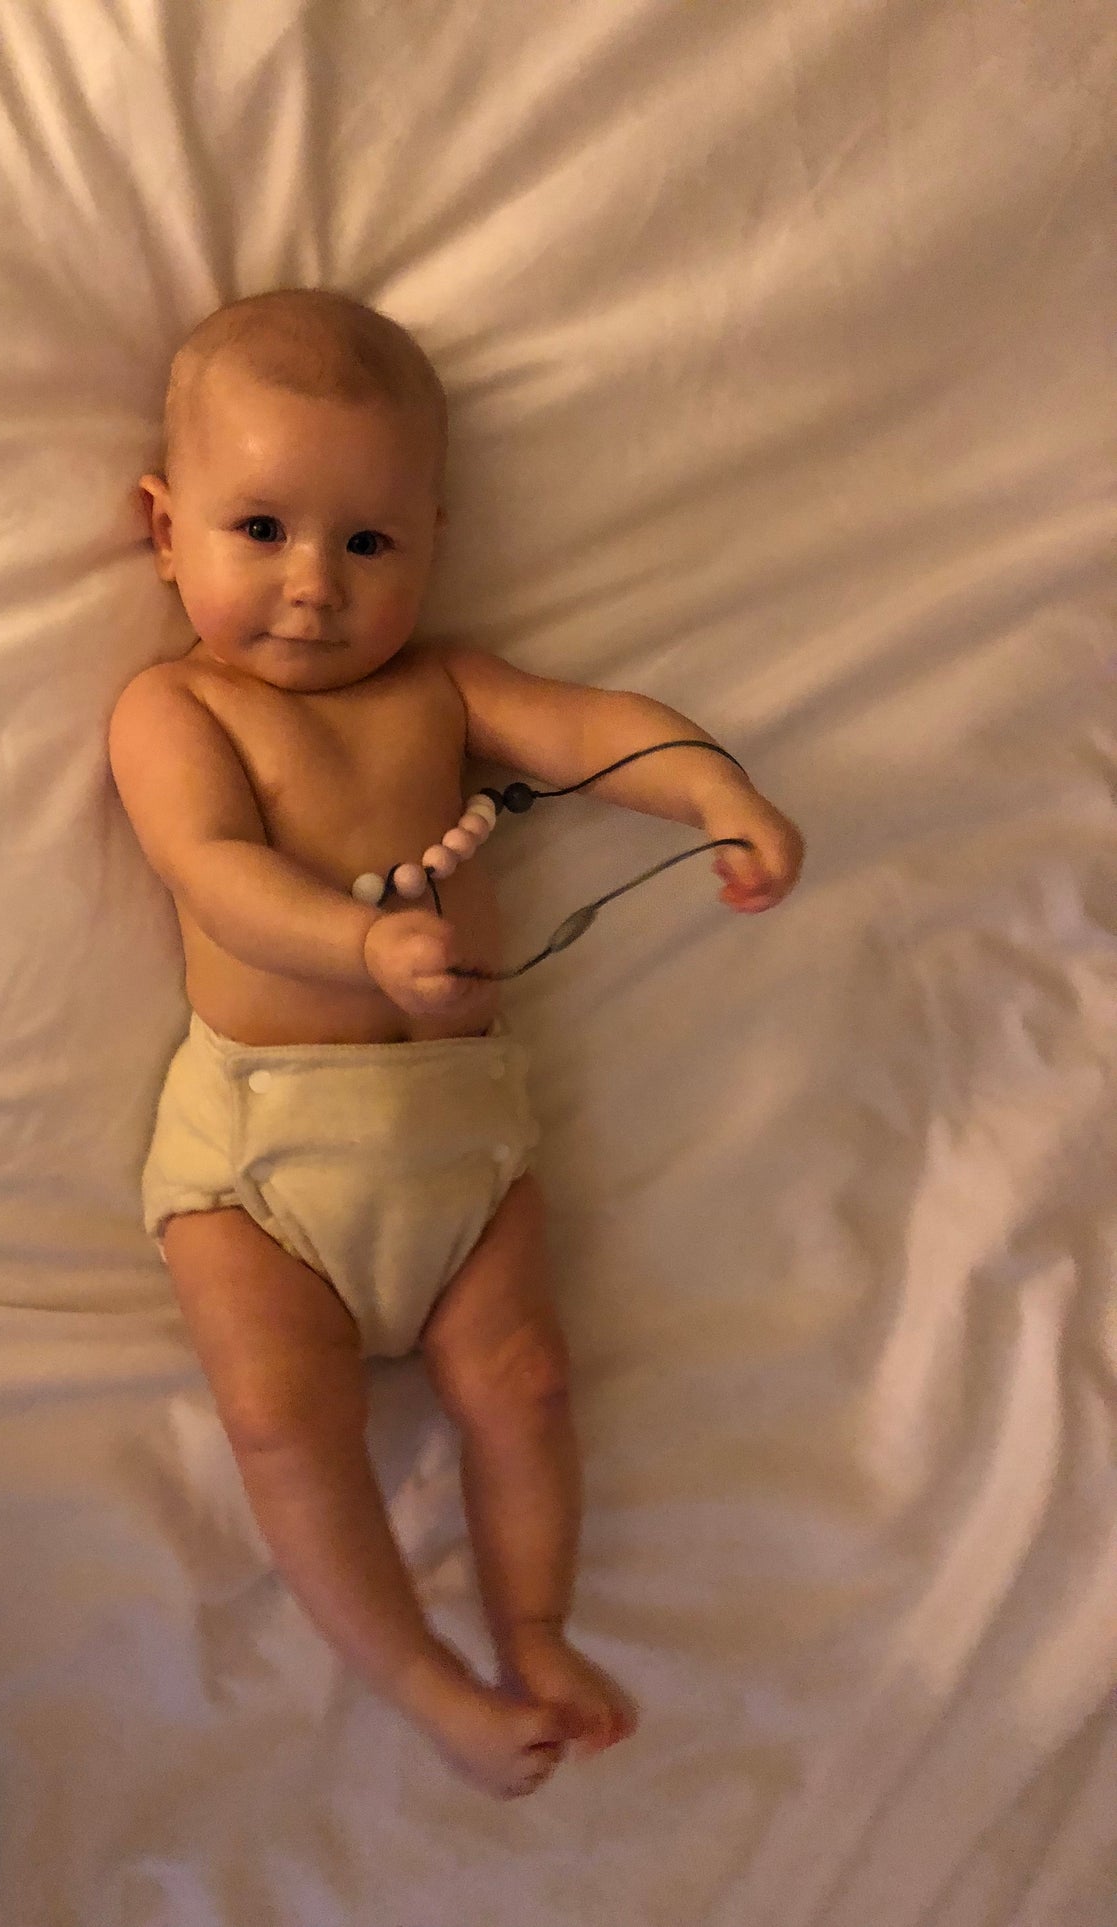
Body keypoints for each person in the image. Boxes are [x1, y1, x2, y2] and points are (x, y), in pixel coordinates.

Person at [109, 289, 804, 1797]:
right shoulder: (176, 707)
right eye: (260, 530)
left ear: (432, 531)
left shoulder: (444, 687)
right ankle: (419, 1678)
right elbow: (211, 868)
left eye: (368, 543)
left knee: (528, 1382)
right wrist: (359, 942)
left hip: (459, 1137)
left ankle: (533, 1628)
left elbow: (585, 724)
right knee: (281, 1425)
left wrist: (710, 793)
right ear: (163, 530)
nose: (313, 586)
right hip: (257, 1157)